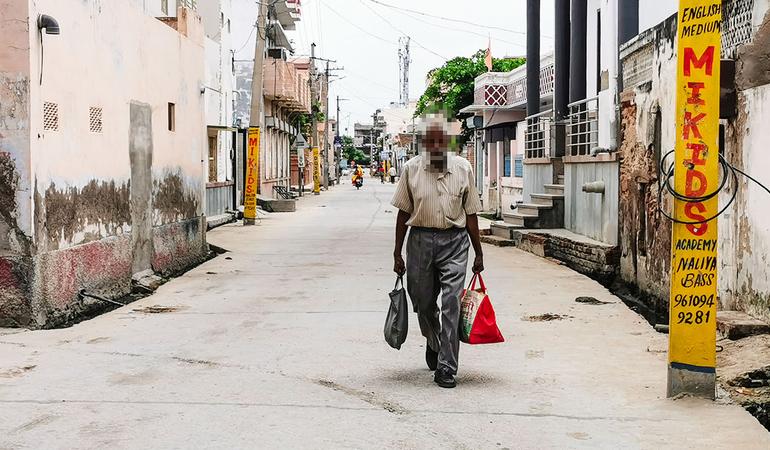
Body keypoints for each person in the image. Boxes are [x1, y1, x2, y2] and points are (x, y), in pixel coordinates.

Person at [391, 113, 484, 389]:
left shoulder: (463, 168)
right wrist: (397, 252)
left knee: (451, 302)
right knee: (422, 302)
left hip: (455, 242)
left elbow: (471, 214)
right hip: (420, 241)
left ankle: (446, 366)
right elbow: (403, 212)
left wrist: (479, 252)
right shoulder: (411, 169)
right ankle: (434, 340)